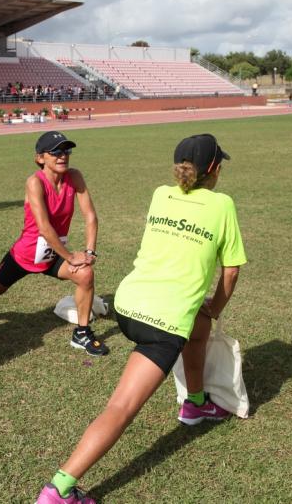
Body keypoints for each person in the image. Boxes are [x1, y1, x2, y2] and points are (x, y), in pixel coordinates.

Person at [35, 134, 247, 503]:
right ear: (213, 169)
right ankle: (58, 491)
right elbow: (230, 272)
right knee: (120, 407)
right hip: (160, 320)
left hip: (128, 304)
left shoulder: (161, 193)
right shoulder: (222, 204)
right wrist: (217, 305)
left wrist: (206, 313)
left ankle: (194, 403)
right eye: (220, 165)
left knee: (199, 327)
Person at [0, 131, 107, 357]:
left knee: (85, 274)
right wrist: (70, 256)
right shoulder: (35, 182)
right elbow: (44, 228)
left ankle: (82, 333)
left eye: (66, 151)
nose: (63, 156)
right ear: (40, 158)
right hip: (25, 255)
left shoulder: (74, 177)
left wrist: (90, 250)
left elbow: (90, 217)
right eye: (55, 151)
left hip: (54, 254)